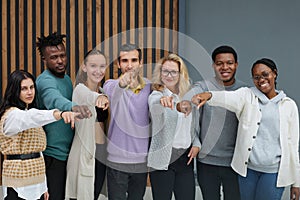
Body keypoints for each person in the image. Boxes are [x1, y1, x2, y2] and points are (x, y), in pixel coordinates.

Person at [191, 58, 300, 200]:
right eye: (256, 77)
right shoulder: (247, 95)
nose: (261, 80)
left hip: (274, 172)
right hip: (247, 171)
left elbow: (293, 146)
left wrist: (296, 182)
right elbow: (228, 97)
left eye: (265, 74)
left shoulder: (288, 105)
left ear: (274, 73)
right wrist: (209, 95)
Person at [180, 45, 247, 200]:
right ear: (213, 65)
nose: (225, 67)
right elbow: (192, 97)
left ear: (236, 64)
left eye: (229, 63)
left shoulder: (245, 90)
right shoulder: (203, 86)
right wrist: (188, 100)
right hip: (207, 161)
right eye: (219, 63)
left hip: (234, 162)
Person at [0, 70, 79, 200]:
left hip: (36, 181)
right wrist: (59, 114)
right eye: (24, 89)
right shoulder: (12, 115)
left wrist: (43, 186)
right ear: (15, 90)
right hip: (17, 182)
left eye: (31, 87)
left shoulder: (27, 111)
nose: (30, 92)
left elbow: (38, 153)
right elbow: (31, 117)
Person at [35, 32, 91, 200]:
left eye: (62, 56)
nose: (60, 61)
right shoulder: (45, 81)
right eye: (53, 57)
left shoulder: (66, 79)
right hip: (52, 156)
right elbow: (53, 99)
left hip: (67, 154)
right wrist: (73, 107)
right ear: (44, 59)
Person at [147, 53, 200, 200]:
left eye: (173, 72)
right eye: (165, 71)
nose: (169, 75)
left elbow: (194, 126)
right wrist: (162, 101)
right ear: (160, 73)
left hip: (185, 159)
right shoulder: (156, 95)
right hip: (163, 160)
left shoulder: (189, 96)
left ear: (180, 73)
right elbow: (154, 106)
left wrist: (196, 143)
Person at [103, 43, 151, 200]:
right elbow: (117, 89)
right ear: (118, 64)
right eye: (124, 61)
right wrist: (123, 83)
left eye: (134, 60)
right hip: (117, 161)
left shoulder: (150, 86)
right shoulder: (110, 85)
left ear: (140, 63)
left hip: (141, 160)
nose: (129, 66)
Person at [65, 49, 109, 200]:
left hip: (101, 154)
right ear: (84, 67)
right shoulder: (79, 89)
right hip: (84, 153)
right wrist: (100, 97)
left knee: (95, 195)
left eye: (102, 66)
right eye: (93, 66)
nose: (98, 71)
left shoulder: (103, 90)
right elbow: (91, 97)